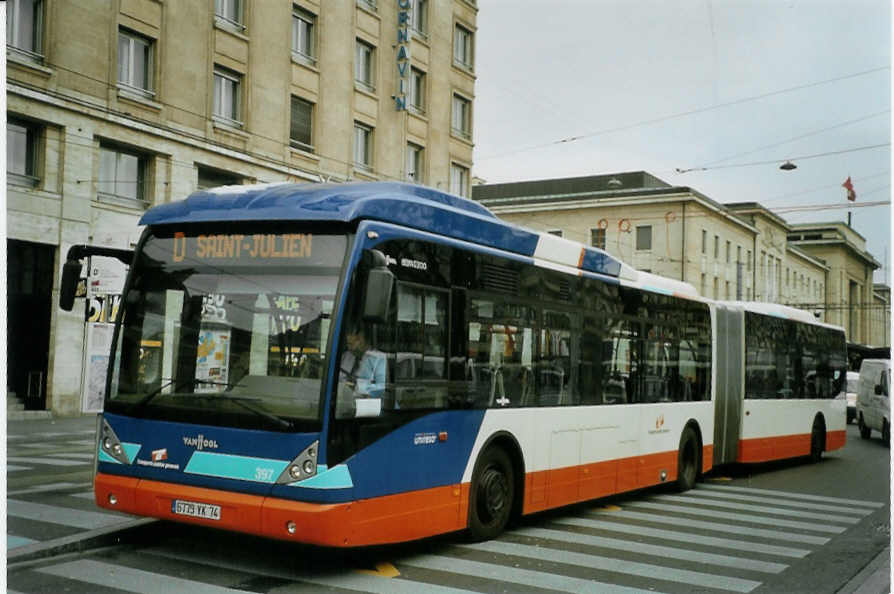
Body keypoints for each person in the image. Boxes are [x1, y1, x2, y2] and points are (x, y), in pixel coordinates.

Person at [339, 325, 386, 398]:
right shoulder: (346, 356)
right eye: (348, 343)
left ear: (365, 339)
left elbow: (381, 391)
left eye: (357, 338)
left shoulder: (379, 359)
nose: (350, 347)